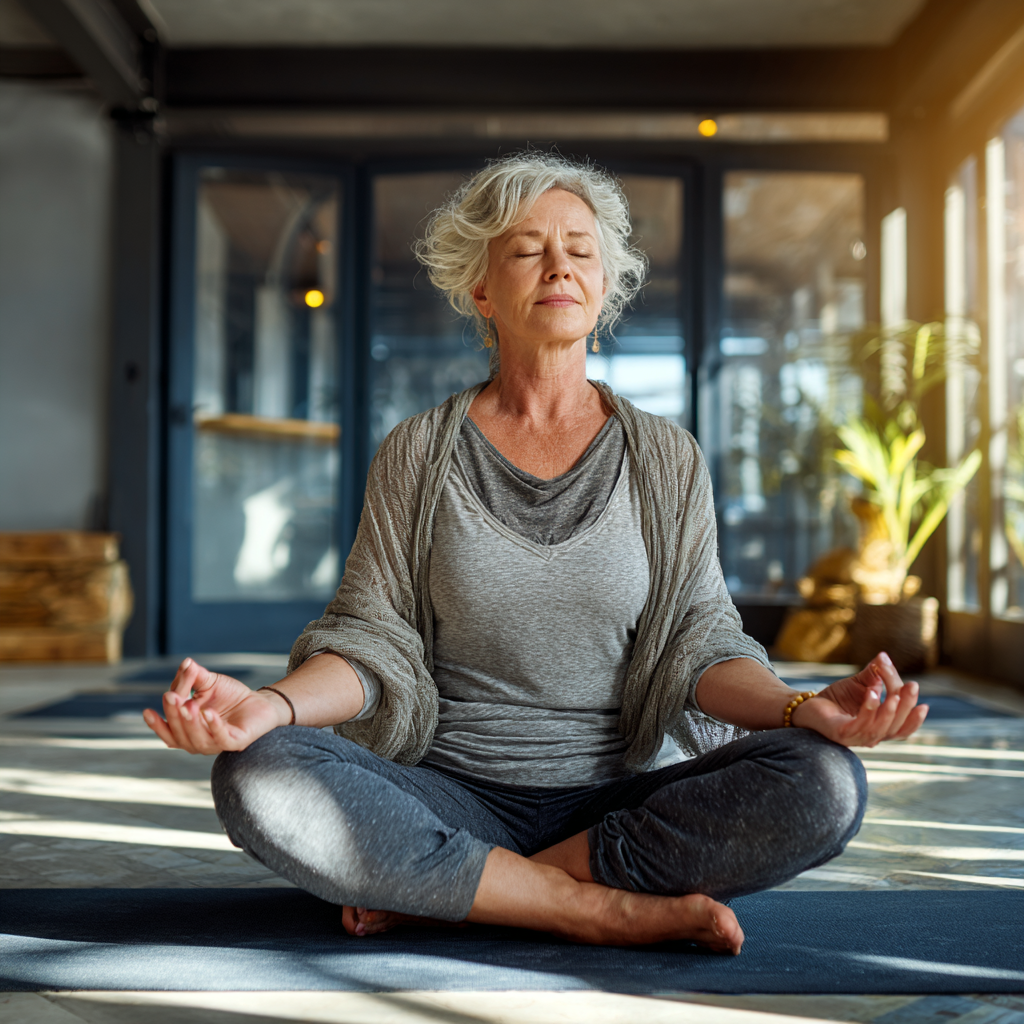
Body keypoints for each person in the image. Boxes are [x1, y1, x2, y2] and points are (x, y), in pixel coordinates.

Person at [144, 152, 928, 954]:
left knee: (825, 781)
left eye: (580, 249)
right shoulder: (419, 451)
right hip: (449, 792)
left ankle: (460, 888)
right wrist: (268, 708)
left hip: (615, 804)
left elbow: (701, 642)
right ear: (483, 288)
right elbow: (369, 639)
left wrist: (805, 709)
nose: (559, 266)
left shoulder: (665, 458)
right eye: (527, 249)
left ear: (604, 283)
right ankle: (589, 907)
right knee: (256, 772)